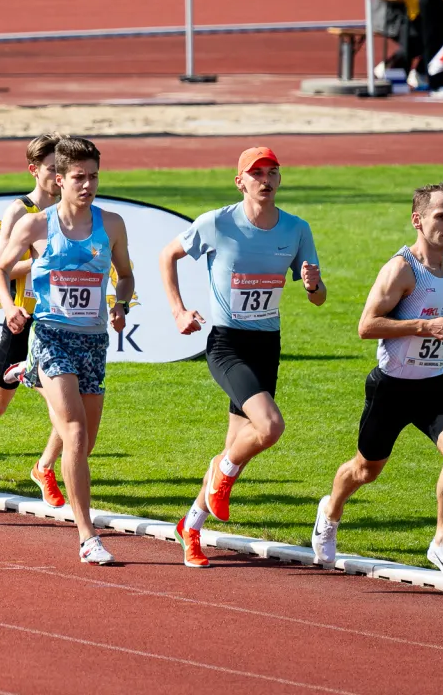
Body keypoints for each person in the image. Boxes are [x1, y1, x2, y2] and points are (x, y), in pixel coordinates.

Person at [159, 146, 325, 568]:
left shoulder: (296, 229)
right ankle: (223, 472)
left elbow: (319, 298)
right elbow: (168, 256)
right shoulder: (217, 223)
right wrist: (178, 311)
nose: (265, 180)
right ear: (241, 181)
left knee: (236, 445)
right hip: (227, 344)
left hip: (267, 346)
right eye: (256, 174)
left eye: (272, 173)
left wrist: (311, 284)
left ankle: (191, 525)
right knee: (269, 427)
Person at [312, 183, 443, 589]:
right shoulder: (401, 269)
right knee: (365, 470)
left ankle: (442, 543)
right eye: (441, 216)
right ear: (418, 220)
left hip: (435, 385)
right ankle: (330, 512)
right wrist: (424, 325)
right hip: (392, 388)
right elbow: (366, 326)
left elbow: (437, 319)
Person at [0, 137, 135, 565]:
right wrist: (10, 306)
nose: (87, 185)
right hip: (50, 333)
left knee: (84, 444)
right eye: (78, 177)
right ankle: (88, 536)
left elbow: (125, 276)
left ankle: (31, 373)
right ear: (58, 178)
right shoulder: (36, 226)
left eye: (93, 177)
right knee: (74, 433)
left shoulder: (113, 224)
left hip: (94, 340)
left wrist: (121, 304)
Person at [0, 133, 64, 520]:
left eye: (62, 171)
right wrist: (41, 266)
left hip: (57, 323)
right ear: (34, 170)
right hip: (22, 319)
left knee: (70, 404)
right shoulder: (19, 212)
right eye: (52, 170)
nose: (58, 178)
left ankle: (44, 467)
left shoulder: (70, 212)